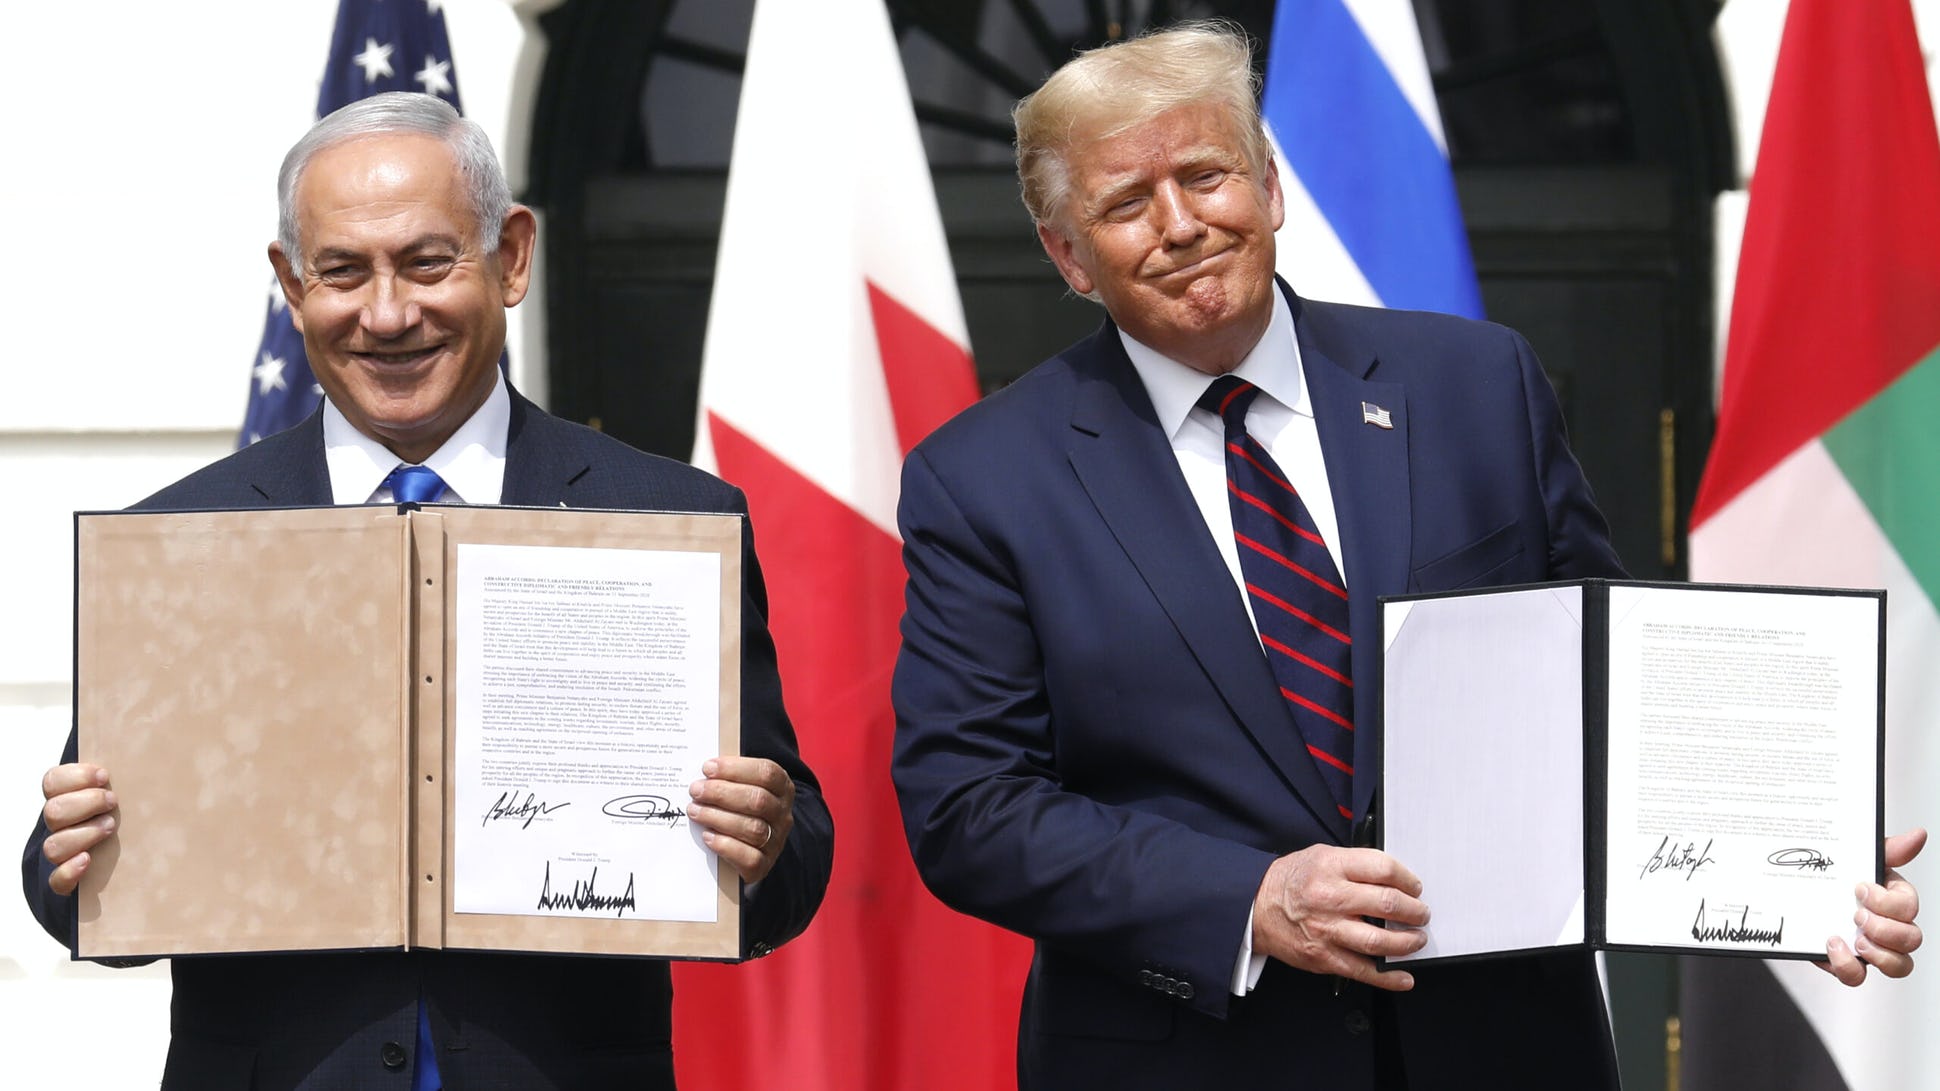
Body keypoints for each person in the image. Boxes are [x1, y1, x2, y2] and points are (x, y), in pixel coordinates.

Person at [889, 23, 1922, 1090]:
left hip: (1502, 1049)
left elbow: (1609, 695)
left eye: (1204, 175)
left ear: (1270, 185)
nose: (1181, 223)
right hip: (1194, 1056)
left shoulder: (1475, 385)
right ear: (1068, 255)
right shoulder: (985, 479)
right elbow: (970, 806)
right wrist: (1247, 900)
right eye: (1125, 203)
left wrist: (1778, 875)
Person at [23, 91, 833, 1089]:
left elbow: (791, 860)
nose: (387, 313)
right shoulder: (181, 543)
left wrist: (764, 837)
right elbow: (68, 890)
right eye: (341, 271)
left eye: (425, 261)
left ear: (512, 257)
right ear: (291, 285)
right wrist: (75, 854)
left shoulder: (665, 520)